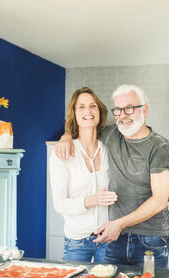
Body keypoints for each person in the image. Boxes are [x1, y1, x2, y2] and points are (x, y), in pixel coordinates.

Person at [54, 84, 169, 268]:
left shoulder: (160, 147)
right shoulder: (111, 135)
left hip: (149, 238)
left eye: (129, 108)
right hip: (115, 239)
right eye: (118, 110)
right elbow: (84, 124)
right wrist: (65, 137)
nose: (123, 115)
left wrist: (119, 224)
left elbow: (160, 201)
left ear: (144, 109)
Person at [50, 87, 118, 263]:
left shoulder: (108, 150)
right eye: (81, 107)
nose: (87, 111)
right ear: (74, 113)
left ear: (100, 112)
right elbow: (59, 204)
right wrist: (93, 200)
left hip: (108, 240)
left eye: (92, 106)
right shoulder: (63, 152)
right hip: (77, 243)